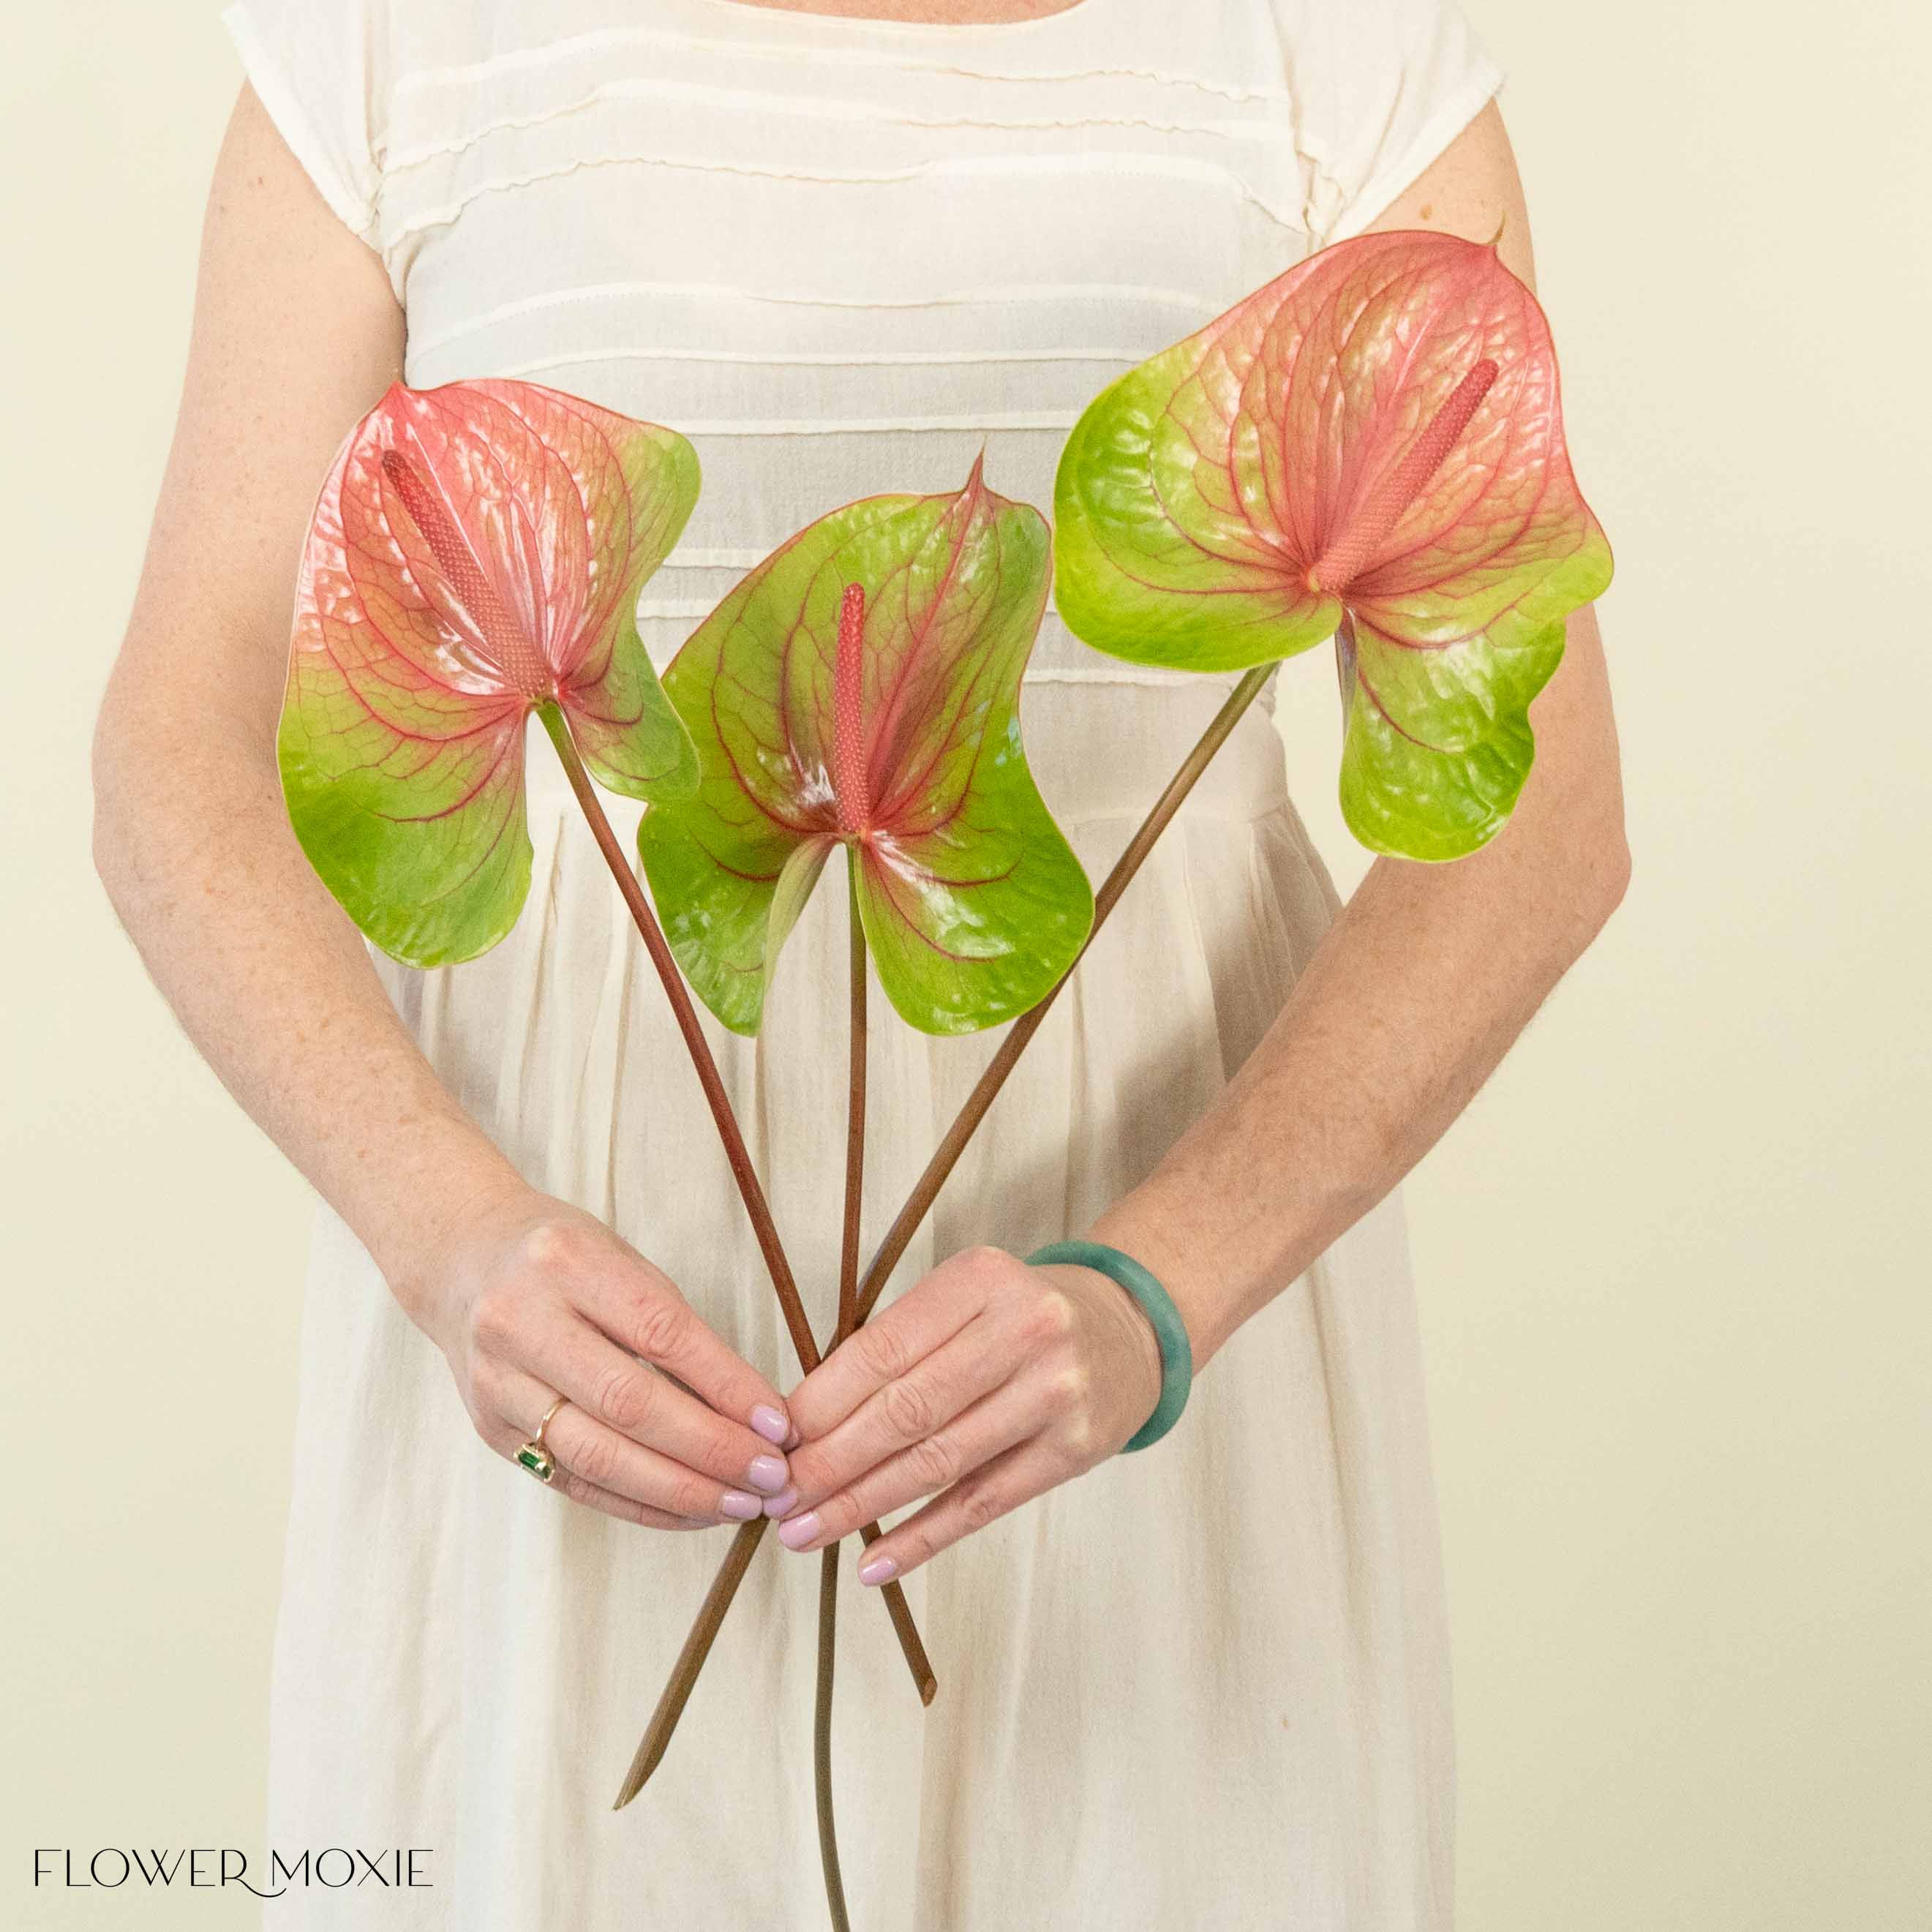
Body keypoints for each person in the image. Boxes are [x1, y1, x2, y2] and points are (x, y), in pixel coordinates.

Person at [92, 0, 1626, 1924]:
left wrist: (1157, 1290)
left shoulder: (1322, 54)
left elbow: (1540, 822)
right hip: (562, 1334)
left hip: (1128, 1341)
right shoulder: (396, 47)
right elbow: (179, 747)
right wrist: (446, 1228)